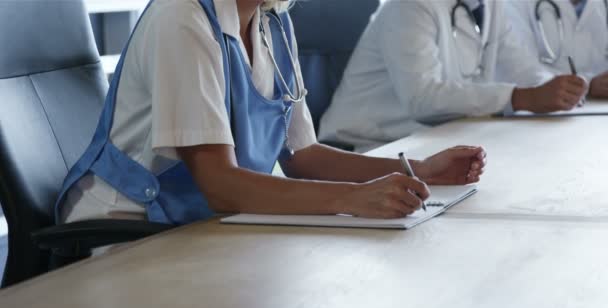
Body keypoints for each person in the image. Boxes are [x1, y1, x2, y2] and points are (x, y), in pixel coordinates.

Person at [56, 0, 486, 225]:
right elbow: (220, 185)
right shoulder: (182, 19)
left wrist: (419, 170)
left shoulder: (272, 22)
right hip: (125, 227)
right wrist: (352, 200)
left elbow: (304, 157)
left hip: (195, 223)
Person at [318, 0, 588, 152]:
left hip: (429, 142)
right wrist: (520, 98)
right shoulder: (409, 6)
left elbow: (524, 69)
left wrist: (560, 88)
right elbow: (423, 99)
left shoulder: (490, 6)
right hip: (365, 150)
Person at [505, 0, 608, 99]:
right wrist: (586, 84)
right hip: (538, 112)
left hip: (598, 108)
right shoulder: (515, 3)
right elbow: (519, 67)